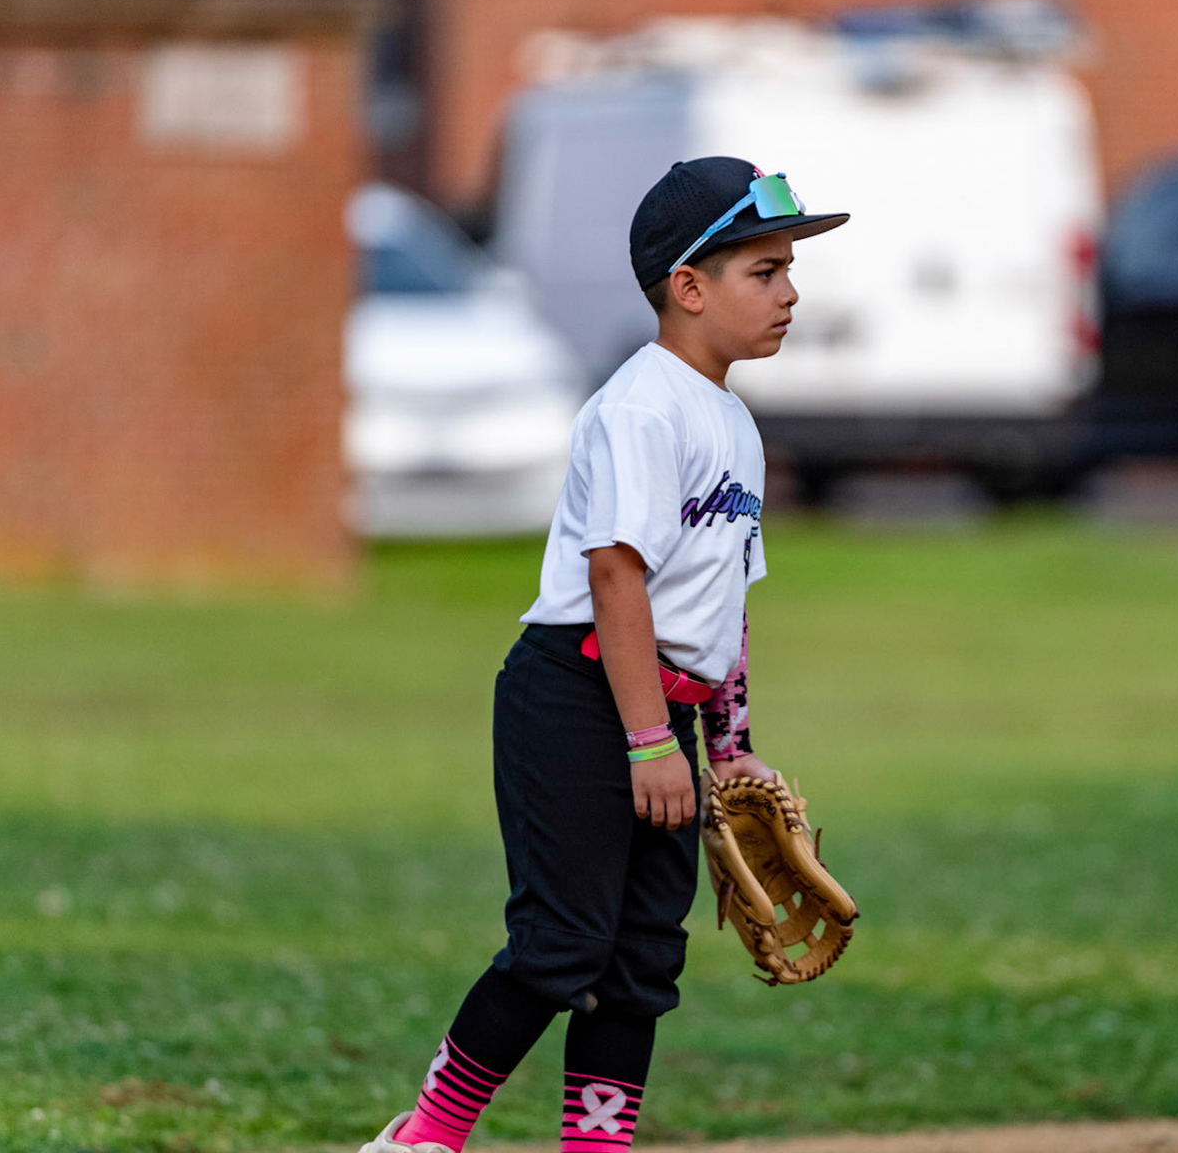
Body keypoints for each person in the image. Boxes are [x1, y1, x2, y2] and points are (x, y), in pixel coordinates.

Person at [360, 157, 848, 1153]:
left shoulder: (734, 423)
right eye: (765, 270)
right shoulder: (643, 405)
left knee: (639, 962)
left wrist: (731, 744)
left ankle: (595, 1145)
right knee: (559, 946)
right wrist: (644, 741)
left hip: (660, 715)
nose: (791, 292)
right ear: (689, 285)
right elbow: (617, 578)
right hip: (581, 693)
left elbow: (724, 604)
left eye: (789, 268)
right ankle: (426, 1136)